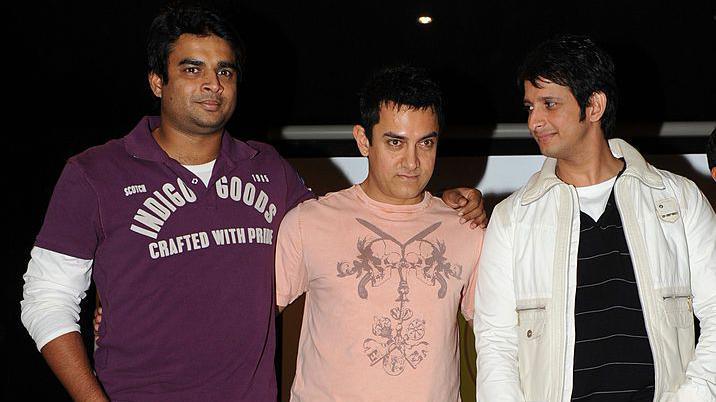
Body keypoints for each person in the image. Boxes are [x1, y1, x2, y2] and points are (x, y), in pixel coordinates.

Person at [21, 4, 486, 401]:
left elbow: (354, 221)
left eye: (225, 70)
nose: (213, 83)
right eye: (191, 68)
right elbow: (45, 300)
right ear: (156, 81)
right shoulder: (95, 173)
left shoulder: (269, 170)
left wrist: (438, 202)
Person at [474, 35, 716, 402]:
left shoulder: (678, 200)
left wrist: (693, 396)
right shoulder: (512, 219)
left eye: (549, 104)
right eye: (529, 107)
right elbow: (496, 345)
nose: (534, 120)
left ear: (594, 105)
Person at [274, 65, 484, 401]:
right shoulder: (308, 223)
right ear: (363, 140)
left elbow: (498, 339)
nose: (412, 162)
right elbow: (251, 327)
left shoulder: (467, 229)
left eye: (425, 143)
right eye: (395, 142)